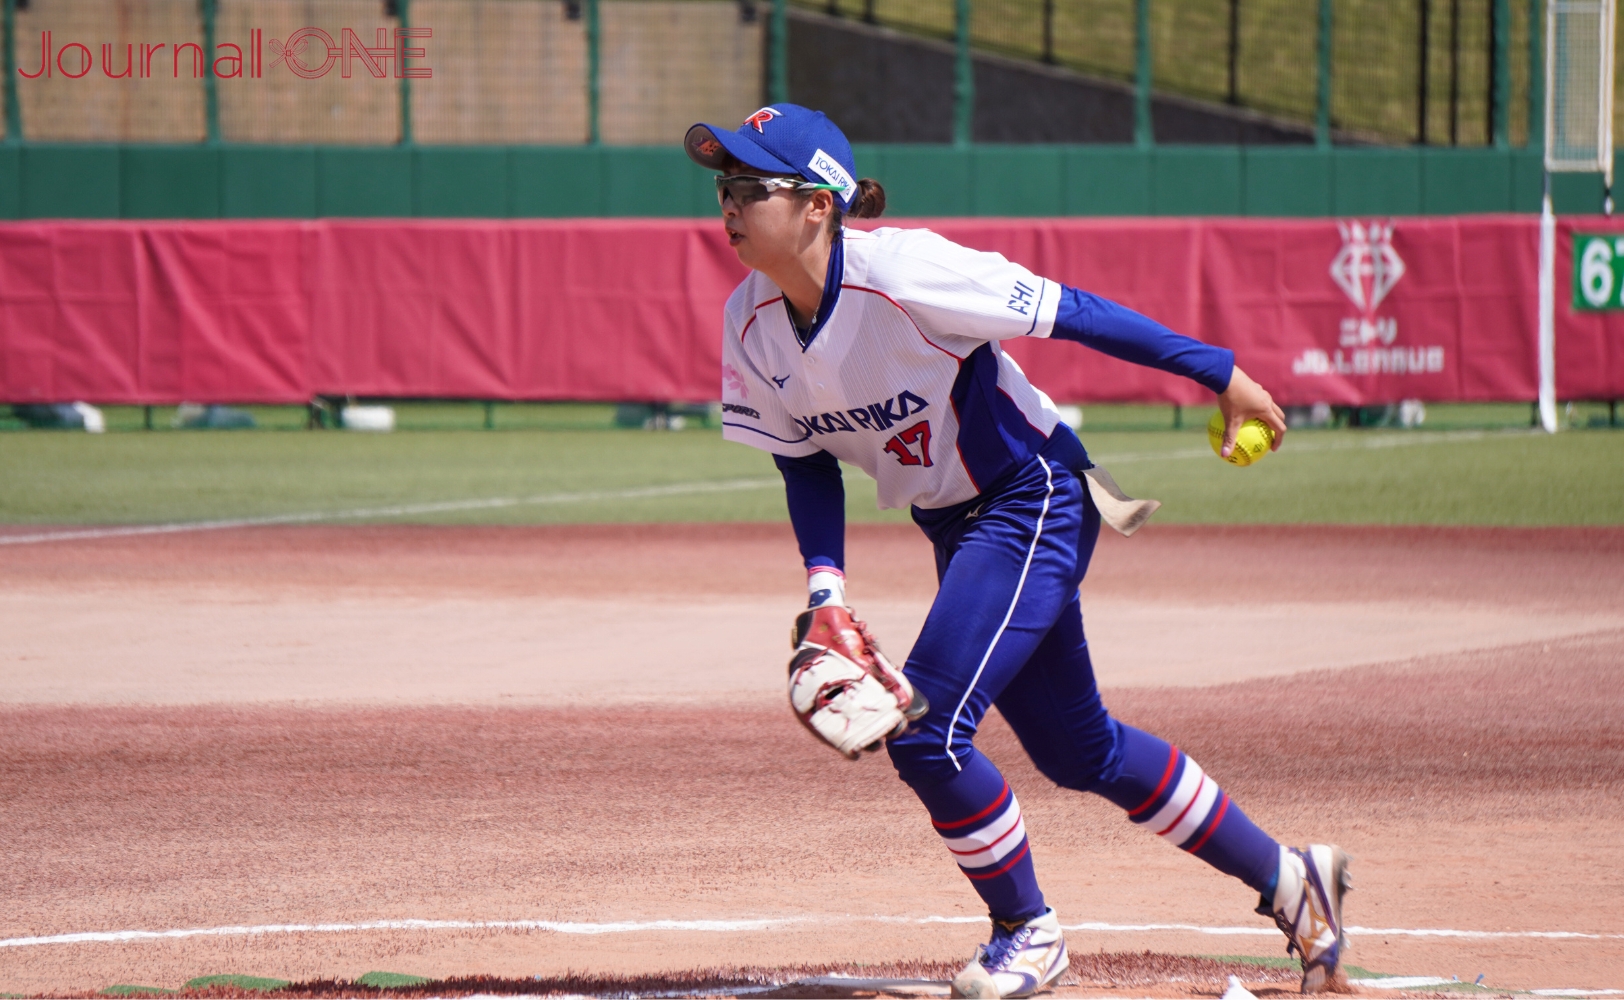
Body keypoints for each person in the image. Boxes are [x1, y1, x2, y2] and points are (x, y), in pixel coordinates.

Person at [685, 105, 1350, 1000]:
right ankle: (1291, 879)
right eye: (722, 187)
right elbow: (803, 465)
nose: (726, 205)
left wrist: (1221, 373)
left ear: (817, 205)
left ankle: (1027, 932)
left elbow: (1075, 314)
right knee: (1084, 753)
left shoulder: (907, 272)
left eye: (747, 187)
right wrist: (826, 591)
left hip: (1030, 496)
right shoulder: (749, 320)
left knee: (925, 731)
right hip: (958, 528)